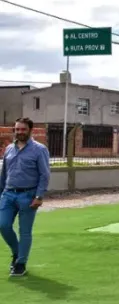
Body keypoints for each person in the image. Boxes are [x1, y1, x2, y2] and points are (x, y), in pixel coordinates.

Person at [0, 117, 50, 277]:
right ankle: (17, 252)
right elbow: (4, 173)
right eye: (17, 129)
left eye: (23, 129)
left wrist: (39, 196)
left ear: (30, 130)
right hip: (8, 194)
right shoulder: (9, 149)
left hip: (28, 196)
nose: (20, 132)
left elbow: (44, 175)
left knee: (25, 231)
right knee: (3, 225)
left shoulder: (39, 149)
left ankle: (21, 263)